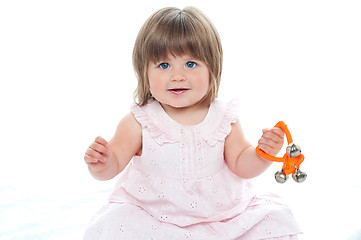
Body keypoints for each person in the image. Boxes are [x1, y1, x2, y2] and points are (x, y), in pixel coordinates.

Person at [83, 6, 301, 239]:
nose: (178, 76)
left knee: (271, 219)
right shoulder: (139, 122)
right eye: (164, 65)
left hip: (221, 215)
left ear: (212, 69)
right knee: (117, 224)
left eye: (190, 64)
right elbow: (113, 164)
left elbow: (241, 165)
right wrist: (101, 163)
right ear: (144, 72)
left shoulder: (223, 118)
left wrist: (262, 154)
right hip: (153, 216)